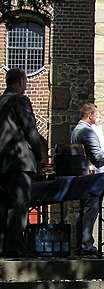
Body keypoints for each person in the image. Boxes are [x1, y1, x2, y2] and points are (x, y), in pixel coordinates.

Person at [0, 68, 46, 257]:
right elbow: (31, 130)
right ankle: (15, 248)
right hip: (18, 161)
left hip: (1, 164)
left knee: (2, 206)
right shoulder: (20, 100)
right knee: (19, 206)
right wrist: (40, 155)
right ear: (20, 82)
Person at [70, 103, 104, 255]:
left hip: (82, 175)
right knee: (90, 210)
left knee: (83, 210)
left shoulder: (75, 130)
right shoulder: (87, 132)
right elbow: (97, 155)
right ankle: (86, 245)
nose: (98, 118)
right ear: (90, 116)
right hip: (92, 177)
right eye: (96, 115)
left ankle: (81, 244)